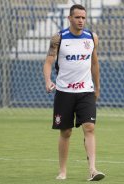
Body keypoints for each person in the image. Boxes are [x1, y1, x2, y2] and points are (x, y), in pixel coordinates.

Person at [43, 4, 105, 181]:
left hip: (86, 90)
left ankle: (93, 169)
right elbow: (48, 62)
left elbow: (94, 63)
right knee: (66, 132)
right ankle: (62, 171)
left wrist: (97, 87)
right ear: (70, 18)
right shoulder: (59, 38)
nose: (81, 21)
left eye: (83, 18)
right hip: (64, 92)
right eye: (77, 17)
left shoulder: (92, 38)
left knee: (90, 127)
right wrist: (48, 81)